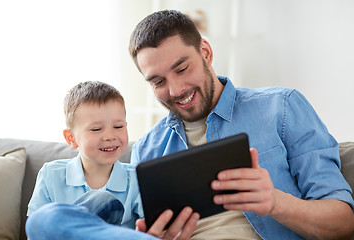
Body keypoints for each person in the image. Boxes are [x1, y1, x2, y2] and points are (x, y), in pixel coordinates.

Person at [128, 10, 354, 240]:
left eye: (182, 69)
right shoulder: (145, 151)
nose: (176, 90)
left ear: (205, 52)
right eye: (158, 82)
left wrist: (275, 202)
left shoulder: (281, 108)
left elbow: (344, 224)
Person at [25, 81, 198, 240]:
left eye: (118, 126)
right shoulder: (51, 174)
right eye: (96, 129)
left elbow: (155, 228)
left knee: (102, 201)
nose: (110, 136)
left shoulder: (138, 179)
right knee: (39, 221)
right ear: (71, 138)